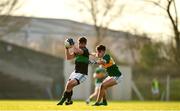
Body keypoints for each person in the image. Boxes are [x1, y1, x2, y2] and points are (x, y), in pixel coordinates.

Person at [57, 37, 89, 105]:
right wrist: (67, 48)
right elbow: (68, 57)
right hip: (75, 72)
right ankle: (69, 101)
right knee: (68, 87)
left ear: (85, 44)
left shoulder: (85, 50)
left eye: (82, 43)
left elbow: (78, 51)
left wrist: (73, 44)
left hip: (82, 74)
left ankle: (62, 101)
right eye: (79, 43)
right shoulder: (78, 50)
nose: (80, 44)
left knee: (70, 84)